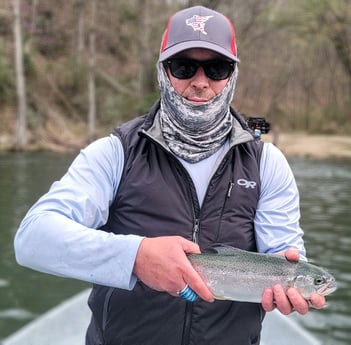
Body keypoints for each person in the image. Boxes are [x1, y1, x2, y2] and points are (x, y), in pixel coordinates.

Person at [14, 5, 325, 345]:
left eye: (217, 68)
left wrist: (289, 275)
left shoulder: (268, 163)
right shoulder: (115, 152)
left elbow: (283, 250)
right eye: (184, 67)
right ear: (163, 72)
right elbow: (33, 238)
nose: (200, 82)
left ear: (232, 75)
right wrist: (136, 257)